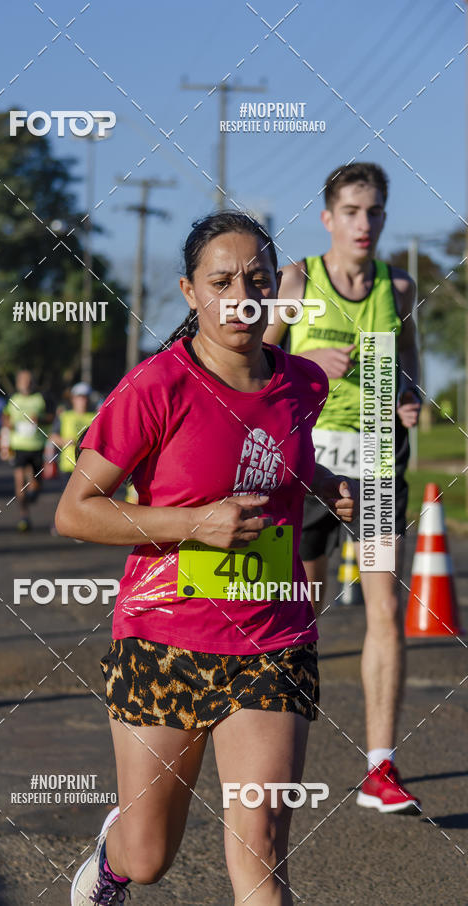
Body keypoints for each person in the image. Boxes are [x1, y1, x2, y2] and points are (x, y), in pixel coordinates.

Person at [56, 212, 356, 906]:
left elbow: (288, 471)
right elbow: (78, 510)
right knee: (150, 855)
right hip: (165, 638)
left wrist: (335, 491)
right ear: (190, 292)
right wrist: (195, 522)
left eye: (256, 280)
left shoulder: (303, 384)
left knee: (262, 858)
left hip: (272, 638)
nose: (240, 297)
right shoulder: (156, 387)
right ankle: (114, 857)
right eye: (221, 282)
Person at [262, 162, 421, 814]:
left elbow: (407, 354)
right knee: (301, 613)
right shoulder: (297, 280)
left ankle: (380, 768)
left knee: (385, 610)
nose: (365, 223)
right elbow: (254, 364)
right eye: (352, 211)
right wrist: (302, 363)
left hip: (378, 461)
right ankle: (268, 753)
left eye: (375, 211)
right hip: (307, 466)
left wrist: (409, 394)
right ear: (328, 217)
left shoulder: (398, 285)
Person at [3, 370, 47, 531]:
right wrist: (8, 425)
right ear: (17, 383)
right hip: (18, 445)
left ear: (32, 382)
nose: (25, 383)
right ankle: (24, 516)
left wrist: (40, 419)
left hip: (36, 445)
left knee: (35, 484)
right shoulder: (14, 399)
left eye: (28, 380)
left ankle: (33, 493)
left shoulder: (40, 398)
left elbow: (51, 417)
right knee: (19, 481)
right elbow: (6, 416)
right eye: (22, 380)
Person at [50, 382, 96, 475]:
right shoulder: (64, 416)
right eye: (80, 397)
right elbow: (53, 437)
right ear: (73, 399)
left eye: (85, 397)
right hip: (68, 466)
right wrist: (65, 441)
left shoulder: (95, 417)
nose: (83, 400)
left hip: (88, 467)